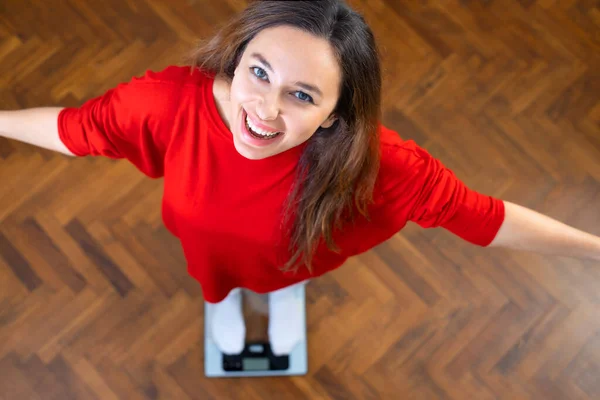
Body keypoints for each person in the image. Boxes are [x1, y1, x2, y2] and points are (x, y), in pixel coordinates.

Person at [2, 0, 600, 357]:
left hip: (293, 256)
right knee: (218, 282)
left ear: (335, 112)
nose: (263, 109)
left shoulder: (382, 162)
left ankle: (281, 293)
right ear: (238, 59)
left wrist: (593, 249)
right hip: (209, 247)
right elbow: (75, 129)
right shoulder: (167, 104)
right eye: (258, 72)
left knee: (281, 275)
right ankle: (222, 303)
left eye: (302, 94)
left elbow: (486, 218)